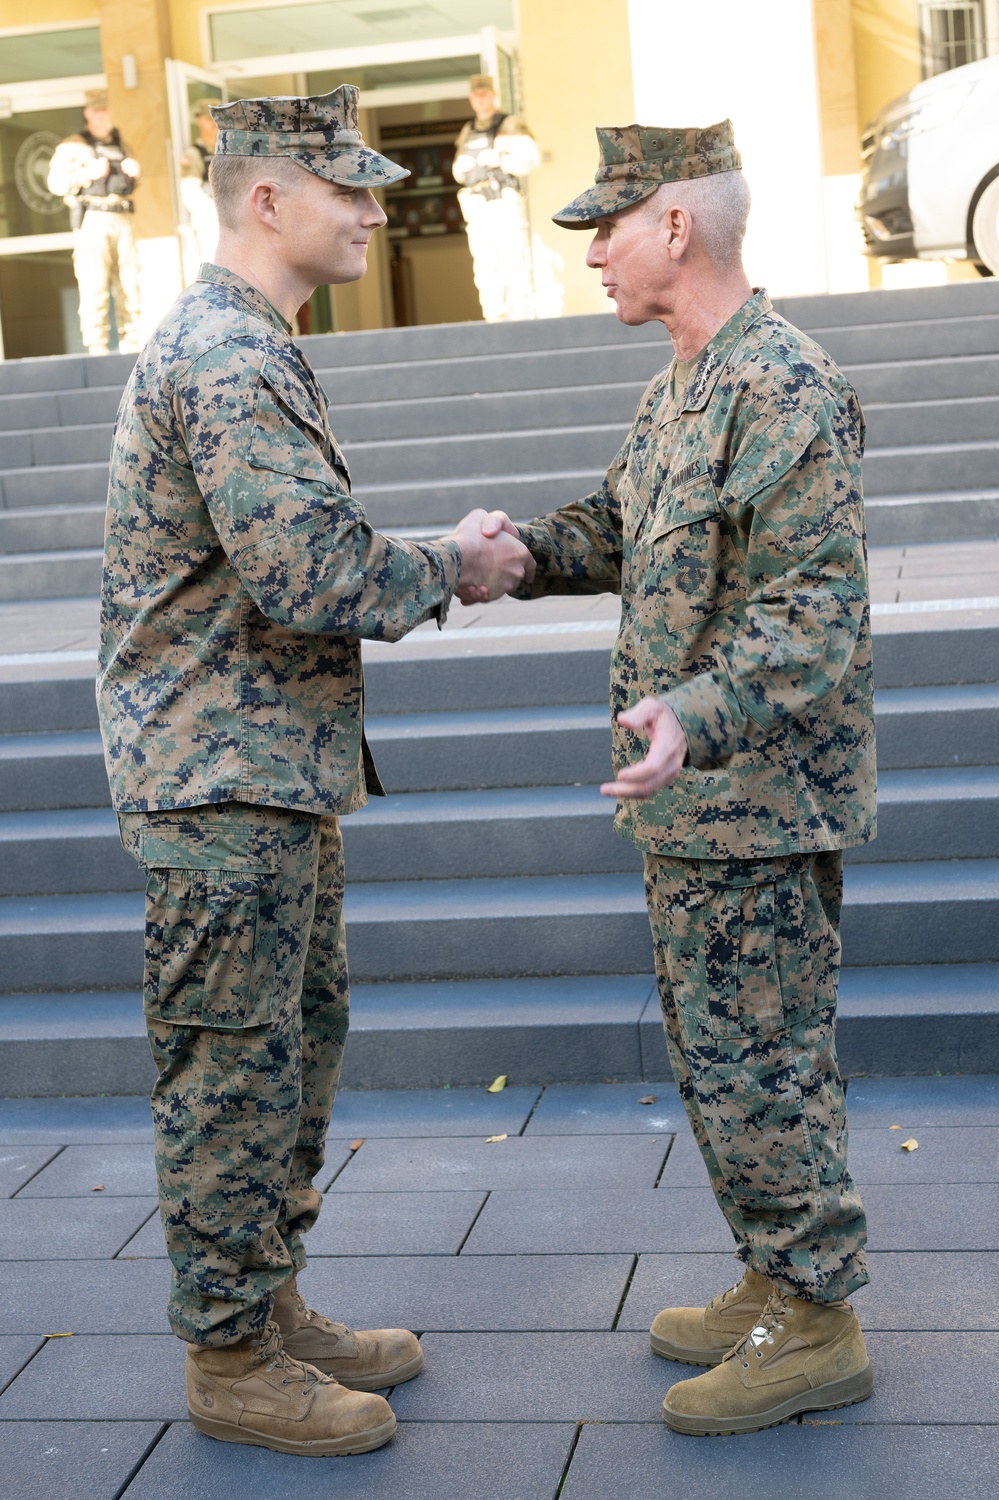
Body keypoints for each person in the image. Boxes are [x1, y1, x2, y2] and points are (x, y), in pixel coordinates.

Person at [97, 85, 534, 1458]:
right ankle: (230, 1357)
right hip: (219, 787)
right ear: (265, 198)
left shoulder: (248, 344)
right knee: (233, 1070)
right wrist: (454, 566)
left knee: (288, 1055)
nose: (373, 204)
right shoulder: (225, 357)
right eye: (343, 185)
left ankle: (266, 1303)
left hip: (260, 776)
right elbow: (308, 572)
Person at [471, 120, 877, 1436]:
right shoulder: (683, 385)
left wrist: (694, 714)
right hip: (692, 805)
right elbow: (618, 528)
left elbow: (813, 617)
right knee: (719, 1058)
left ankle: (815, 1319)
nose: (591, 250)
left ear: (677, 229)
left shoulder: (785, 388)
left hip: (757, 804)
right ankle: (774, 1276)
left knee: (766, 1060)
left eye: (607, 225)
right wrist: (513, 555)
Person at [47, 88, 142, 355]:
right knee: (95, 287)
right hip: (94, 221)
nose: (103, 116)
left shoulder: (120, 142)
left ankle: (132, 345)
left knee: (130, 283)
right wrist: (86, 173)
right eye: (97, 110)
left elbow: (130, 182)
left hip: (122, 217)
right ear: (87, 113)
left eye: (106, 110)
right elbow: (55, 184)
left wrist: (137, 173)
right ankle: (97, 348)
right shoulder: (73, 145)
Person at [452, 73, 540, 321]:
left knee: (512, 259)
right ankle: (494, 317)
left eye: (484, 94)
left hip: (502, 201)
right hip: (477, 205)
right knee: (485, 264)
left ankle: (520, 316)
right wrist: (463, 165)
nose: (480, 100)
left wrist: (500, 159)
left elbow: (531, 159)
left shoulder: (509, 125)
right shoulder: (468, 130)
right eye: (476, 95)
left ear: (493, 95)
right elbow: (457, 171)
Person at [178, 98, 220, 278]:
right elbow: (190, 193)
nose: (213, 122)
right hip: (210, 220)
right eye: (208, 117)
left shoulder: (230, 149)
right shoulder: (194, 153)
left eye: (217, 117)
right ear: (199, 120)